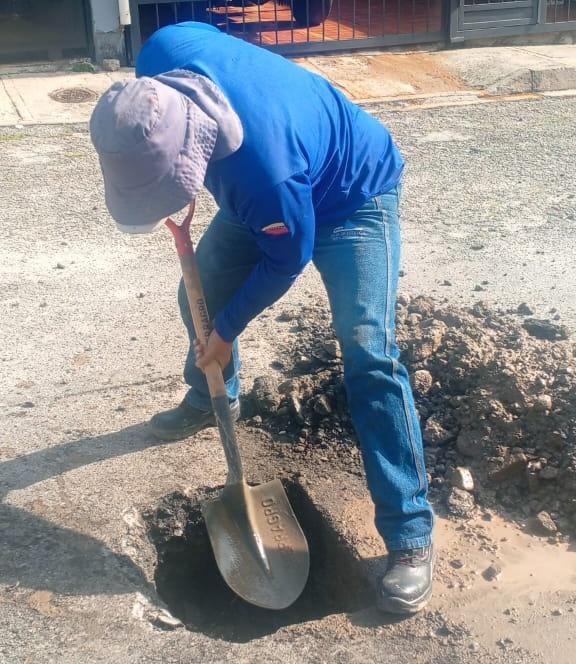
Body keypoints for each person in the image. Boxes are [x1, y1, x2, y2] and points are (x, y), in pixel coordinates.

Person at [90, 21, 434, 614]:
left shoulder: (263, 174)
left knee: (368, 352)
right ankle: (214, 397)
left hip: (354, 196)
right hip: (272, 181)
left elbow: (285, 260)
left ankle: (410, 534)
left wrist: (224, 333)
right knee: (198, 292)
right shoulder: (160, 57)